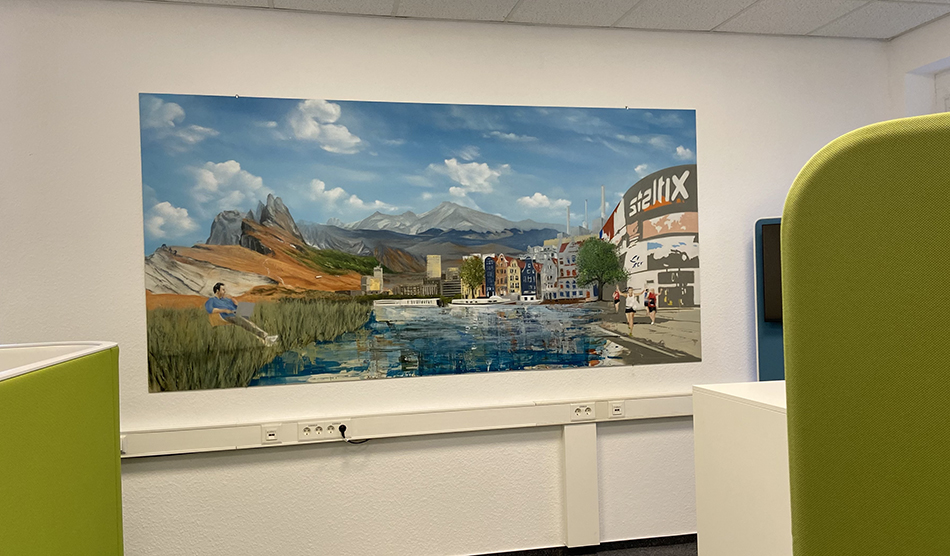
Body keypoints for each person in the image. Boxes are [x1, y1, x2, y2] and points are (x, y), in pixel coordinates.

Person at [205, 282, 279, 346]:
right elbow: (210, 310)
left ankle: (264, 340)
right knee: (245, 322)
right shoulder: (212, 300)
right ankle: (266, 337)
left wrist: (236, 303)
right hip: (228, 316)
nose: (225, 291)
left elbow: (235, 307)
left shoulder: (226, 299)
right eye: (223, 290)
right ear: (217, 291)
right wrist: (224, 310)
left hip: (235, 312)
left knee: (253, 313)